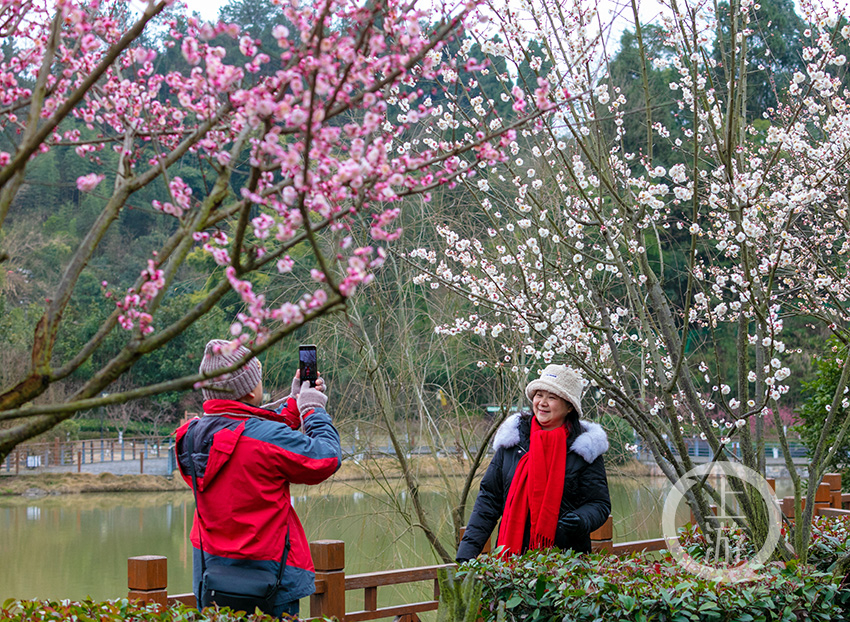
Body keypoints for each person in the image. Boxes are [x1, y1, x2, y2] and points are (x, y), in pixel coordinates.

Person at [175, 339, 342, 618]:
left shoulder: (189, 437)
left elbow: (245, 432)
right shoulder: (265, 441)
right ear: (252, 391)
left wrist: (293, 404)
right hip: (269, 578)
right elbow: (325, 459)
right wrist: (312, 409)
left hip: (211, 574)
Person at [456, 364, 610, 562]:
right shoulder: (513, 443)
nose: (542, 403)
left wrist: (581, 519)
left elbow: (599, 504)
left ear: (569, 405)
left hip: (565, 566)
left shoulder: (584, 449)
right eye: (539, 395)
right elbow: (488, 501)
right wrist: (466, 554)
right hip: (511, 563)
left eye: (552, 397)